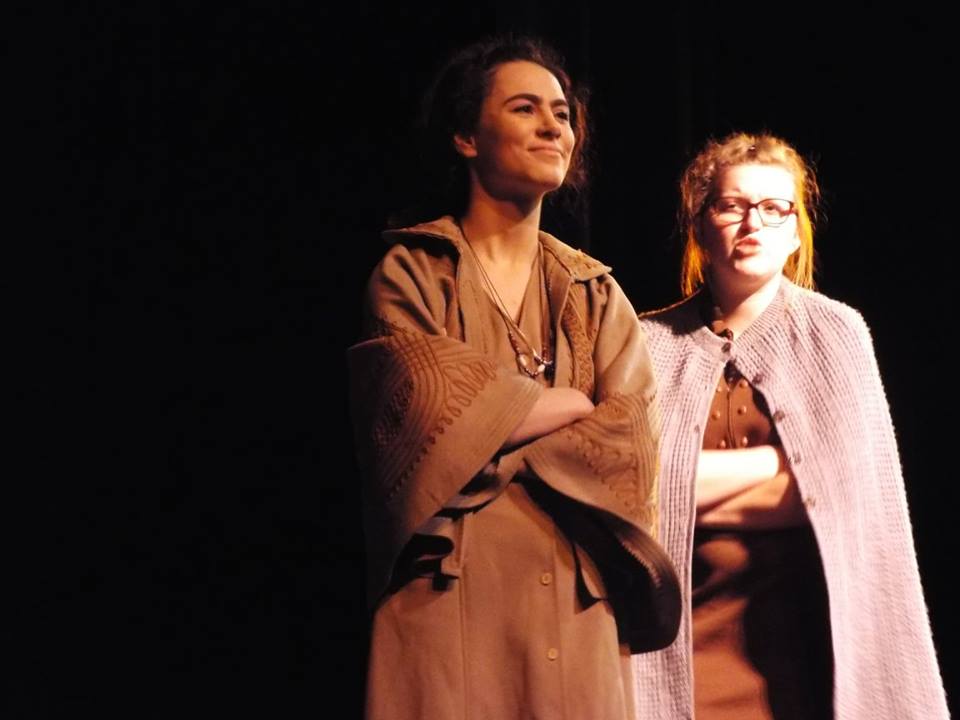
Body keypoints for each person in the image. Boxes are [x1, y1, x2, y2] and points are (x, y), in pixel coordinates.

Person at [348, 36, 679, 720]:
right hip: (450, 598)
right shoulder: (414, 273)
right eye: (525, 108)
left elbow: (630, 449)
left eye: (561, 113)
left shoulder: (594, 292)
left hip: (575, 602)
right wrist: (566, 405)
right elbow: (417, 431)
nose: (553, 127)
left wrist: (487, 430)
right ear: (467, 137)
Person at [633, 132, 948, 719]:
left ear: (796, 231)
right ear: (700, 225)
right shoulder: (647, 344)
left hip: (804, 654)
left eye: (774, 208)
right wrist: (784, 466)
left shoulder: (836, 333)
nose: (753, 222)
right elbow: (625, 491)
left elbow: (850, 498)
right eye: (731, 206)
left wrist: (678, 488)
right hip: (678, 645)